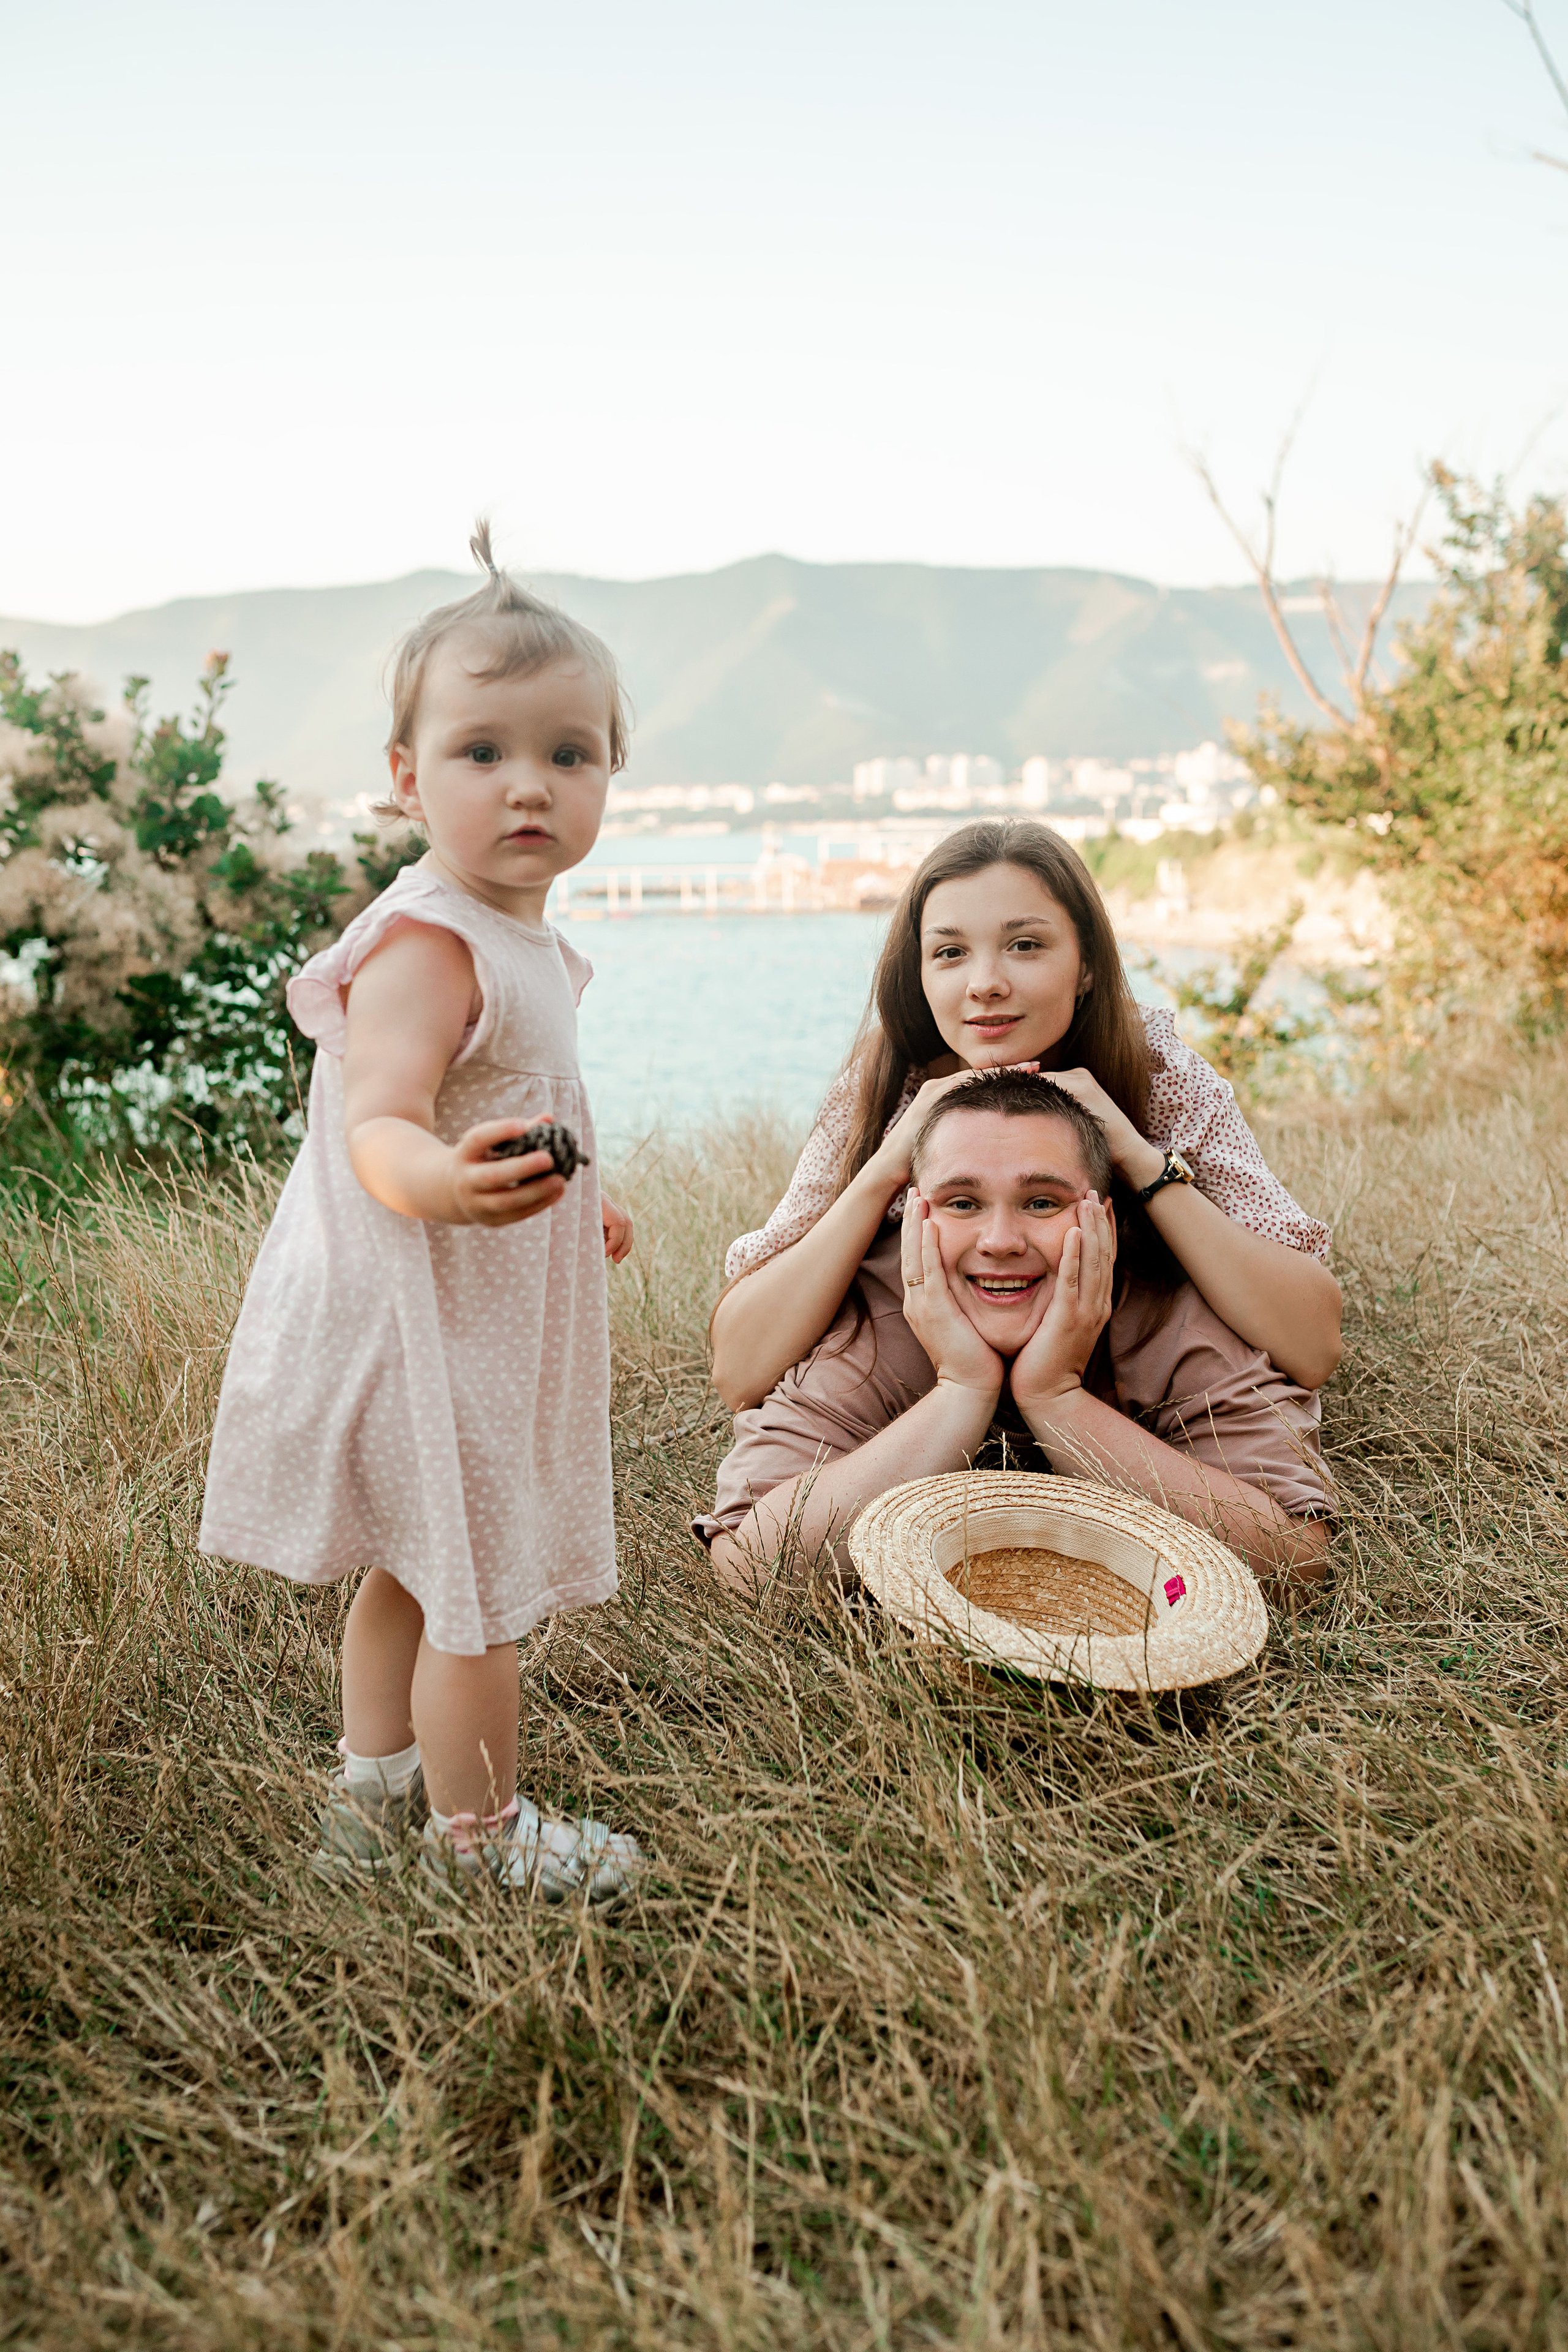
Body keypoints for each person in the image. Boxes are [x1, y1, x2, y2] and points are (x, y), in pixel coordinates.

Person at [198, 524, 643, 1901]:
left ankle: (372, 1782)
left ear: (608, 777)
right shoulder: (430, 941)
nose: (530, 786)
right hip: (417, 1316)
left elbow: (512, 1100)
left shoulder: (520, 939)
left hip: (466, 1317)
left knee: (416, 1561)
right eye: (483, 752)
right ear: (406, 779)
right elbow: (380, 1121)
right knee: (479, 1596)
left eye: (569, 754)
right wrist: (448, 1185)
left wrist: (582, 1196)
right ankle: (480, 1835)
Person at [702, 818, 1340, 1591]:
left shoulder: (1159, 1074)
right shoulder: (884, 1087)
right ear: (920, 974)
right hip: (925, 1355)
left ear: (1086, 968)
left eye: (1025, 945)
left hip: (1127, 1355)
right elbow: (740, 1369)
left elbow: (1311, 1344)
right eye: (950, 953)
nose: (984, 983)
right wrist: (881, 1173)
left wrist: (1136, 1155)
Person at [700, 1069, 1331, 1591]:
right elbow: (749, 1566)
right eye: (962, 1204)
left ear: (1103, 1221)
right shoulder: (873, 1316)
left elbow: (1294, 1562)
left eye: (1041, 1203)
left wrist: (1055, 1397)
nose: (1000, 1243)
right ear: (915, 1217)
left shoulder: (1172, 1313)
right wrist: (962, 1389)